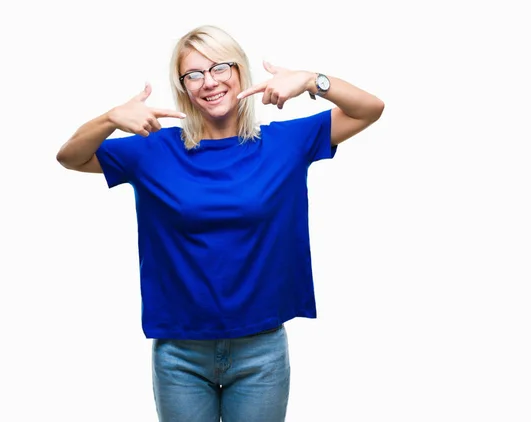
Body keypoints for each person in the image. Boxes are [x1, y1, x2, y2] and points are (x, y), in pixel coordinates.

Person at [56, 24, 384, 422]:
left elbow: (370, 109)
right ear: (183, 88)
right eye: (194, 74)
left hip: (261, 350)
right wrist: (109, 118)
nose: (209, 82)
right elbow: (70, 157)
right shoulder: (153, 149)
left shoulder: (285, 142)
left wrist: (311, 80)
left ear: (240, 72)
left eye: (220, 68)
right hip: (180, 354)